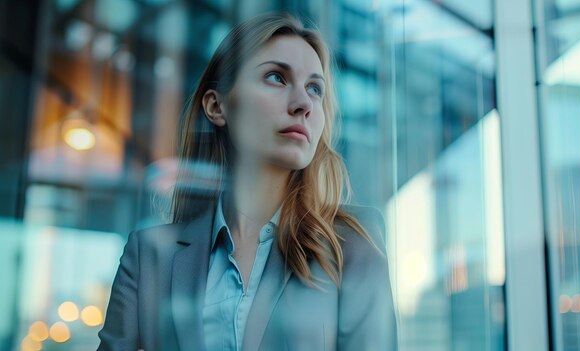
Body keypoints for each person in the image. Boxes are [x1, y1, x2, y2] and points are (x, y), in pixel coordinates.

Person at [97, 11, 398, 351]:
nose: (303, 104)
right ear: (216, 106)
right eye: (276, 77)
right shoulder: (149, 255)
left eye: (315, 88)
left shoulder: (353, 243)